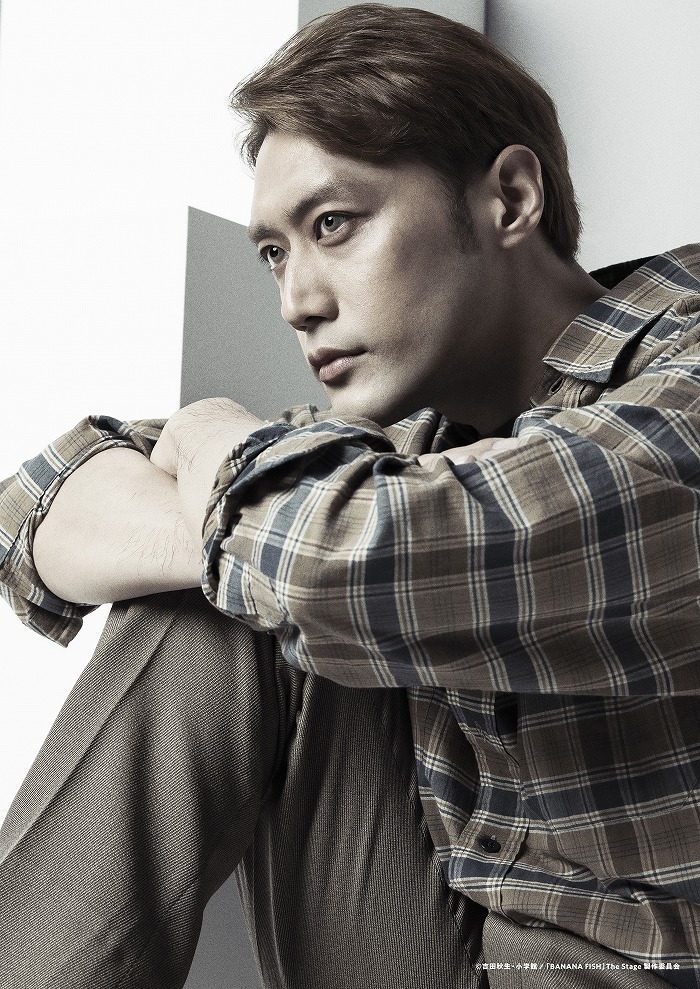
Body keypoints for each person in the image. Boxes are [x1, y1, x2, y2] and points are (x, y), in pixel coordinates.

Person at [1, 4, 699, 987]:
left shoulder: (680, 375)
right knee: (227, 585)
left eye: (333, 225)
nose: (297, 301)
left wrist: (222, 455)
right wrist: (239, 519)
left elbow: (332, 553)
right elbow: (34, 507)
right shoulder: (396, 453)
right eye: (275, 253)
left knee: (264, 555)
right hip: (437, 950)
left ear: (508, 197)